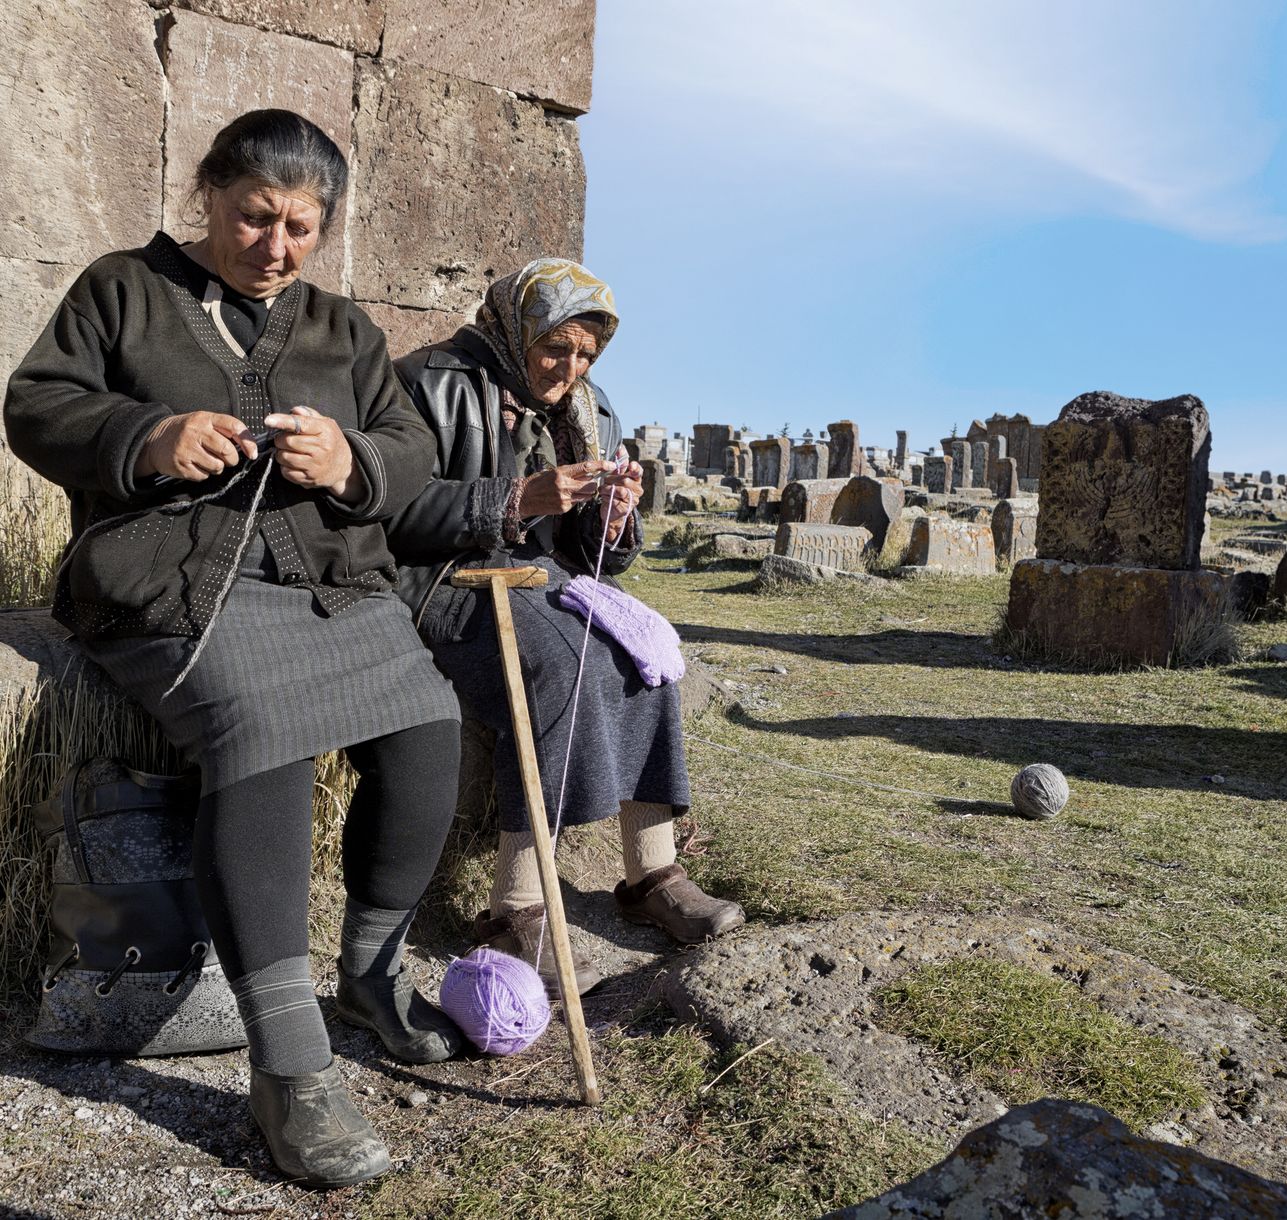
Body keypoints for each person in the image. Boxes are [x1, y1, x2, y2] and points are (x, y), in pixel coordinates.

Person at [4, 109, 464, 1189]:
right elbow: (35, 405)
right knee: (261, 728)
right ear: (209, 193)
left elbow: (411, 451)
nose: (276, 245)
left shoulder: (344, 332)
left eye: (302, 227)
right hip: (174, 586)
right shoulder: (122, 289)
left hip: (329, 587)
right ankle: (291, 1068)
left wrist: (348, 455)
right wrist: (145, 437)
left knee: (428, 722)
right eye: (255, 215)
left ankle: (371, 972)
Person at [388, 258, 744, 994]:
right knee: (558, 662)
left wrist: (612, 518)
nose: (569, 366)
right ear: (519, 328)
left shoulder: (591, 407)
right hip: (448, 578)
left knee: (647, 652)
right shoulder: (430, 383)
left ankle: (652, 873)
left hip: (545, 580)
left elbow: (596, 558)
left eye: (586, 353)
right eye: (556, 346)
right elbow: (393, 513)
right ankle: (515, 909)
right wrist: (517, 499)